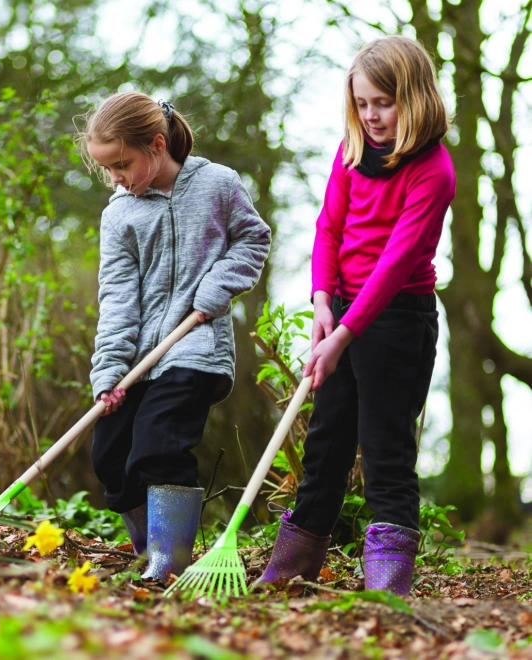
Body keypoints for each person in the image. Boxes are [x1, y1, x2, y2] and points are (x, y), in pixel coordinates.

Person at [256, 35, 456, 596]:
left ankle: (387, 585)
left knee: (386, 444)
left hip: (397, 318)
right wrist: (323, 302)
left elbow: (395, 264)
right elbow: (329, 227)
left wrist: (343, 334)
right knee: (326, 443)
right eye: (362, 103)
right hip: (341, 310)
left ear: (413, 99)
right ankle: (293, 568)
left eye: (383, 103)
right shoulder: (350, 154)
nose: (371, 115)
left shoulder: (434, 171)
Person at [81, 92, 271, 581]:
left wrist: (214, 289)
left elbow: (254, 238)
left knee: (158, 446)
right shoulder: (119, 214)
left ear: (157, 145)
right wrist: (109, 369)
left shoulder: (218, 185)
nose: (116, 178)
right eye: (107, 170)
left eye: (122, 164)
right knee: (110, 456)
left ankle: (169, 564)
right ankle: (150, 551)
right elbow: (118, 296)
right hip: (137, 355)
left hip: (195, 347)